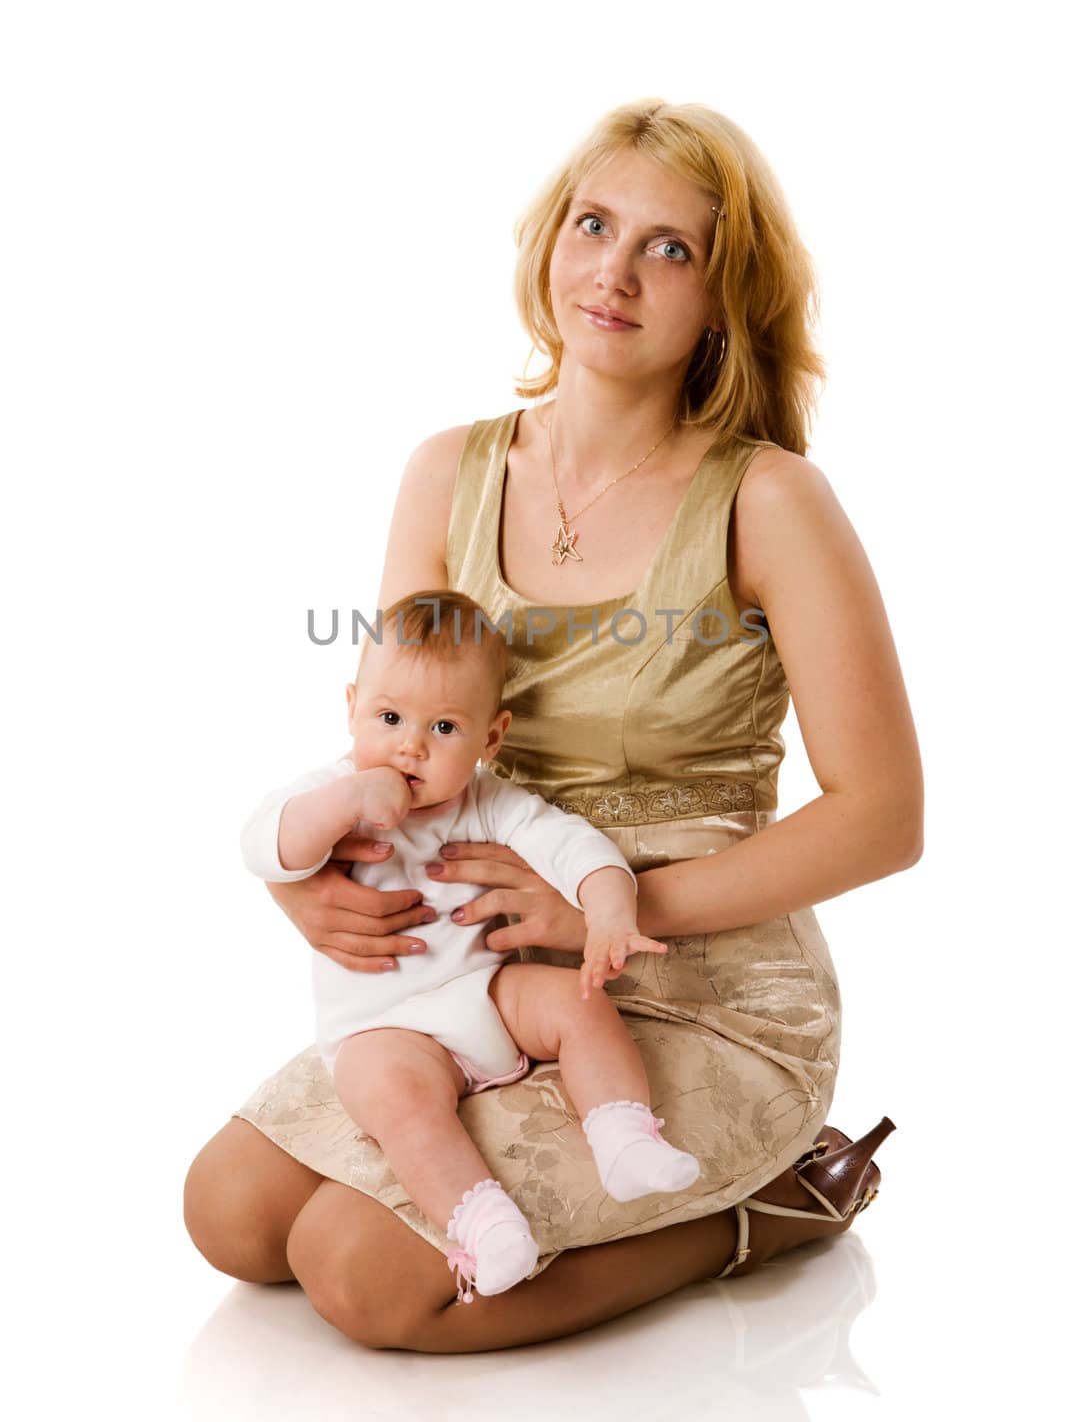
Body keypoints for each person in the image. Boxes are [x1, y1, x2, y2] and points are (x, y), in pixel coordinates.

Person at [184, 96, 922, 1354]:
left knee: (364, 1275)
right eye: (593, 223)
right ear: (548, 239)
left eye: (669, 247)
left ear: (719, 295)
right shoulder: (447, 472)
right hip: (470, 979)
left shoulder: (770, 501)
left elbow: (884, 818)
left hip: (695, 983)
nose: (614, 271)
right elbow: (391, 736)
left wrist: (613, 908)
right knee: (233, 1217)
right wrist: (307, 886)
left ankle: (773, 1203)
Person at [237, 588, 700, 1304]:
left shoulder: (488, 799)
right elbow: (266, 845)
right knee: (398, 1106)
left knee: (576, 1002)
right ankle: (484, 1227)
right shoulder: (327, 789)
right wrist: (348, 801)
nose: (409, 745)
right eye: (388, 718)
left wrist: (608, 911)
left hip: (484, 994)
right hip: (381, 1025)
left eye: (444, 727)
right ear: (352, 706)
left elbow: (575, 847)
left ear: (490, 738)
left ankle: (624, 1139)